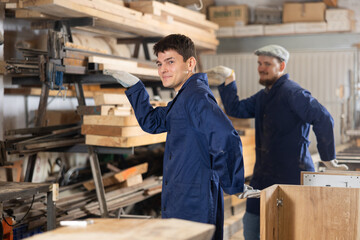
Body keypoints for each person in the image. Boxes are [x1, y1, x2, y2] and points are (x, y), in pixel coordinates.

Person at [105, 34, 245, 240]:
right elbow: (153, 122)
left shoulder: (196, 98)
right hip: (184, 196)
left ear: (190, 63)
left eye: (170, 62)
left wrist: (233, 183)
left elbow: (226, 137)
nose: (163, 69)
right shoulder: (184, 98)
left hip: (193, 201)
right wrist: (136, 88)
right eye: (159, 63)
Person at [205, 44, 348, 240]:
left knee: (288, 231)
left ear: (281, 66)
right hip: (263, 176)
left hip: (291, 176)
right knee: (252, 227)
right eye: (259, 63)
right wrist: (229, 80)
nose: (261, 68)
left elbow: (323, 117)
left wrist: (328, 158)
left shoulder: (292, 93)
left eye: (267, 63)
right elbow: (236, 109)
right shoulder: (263, 96)